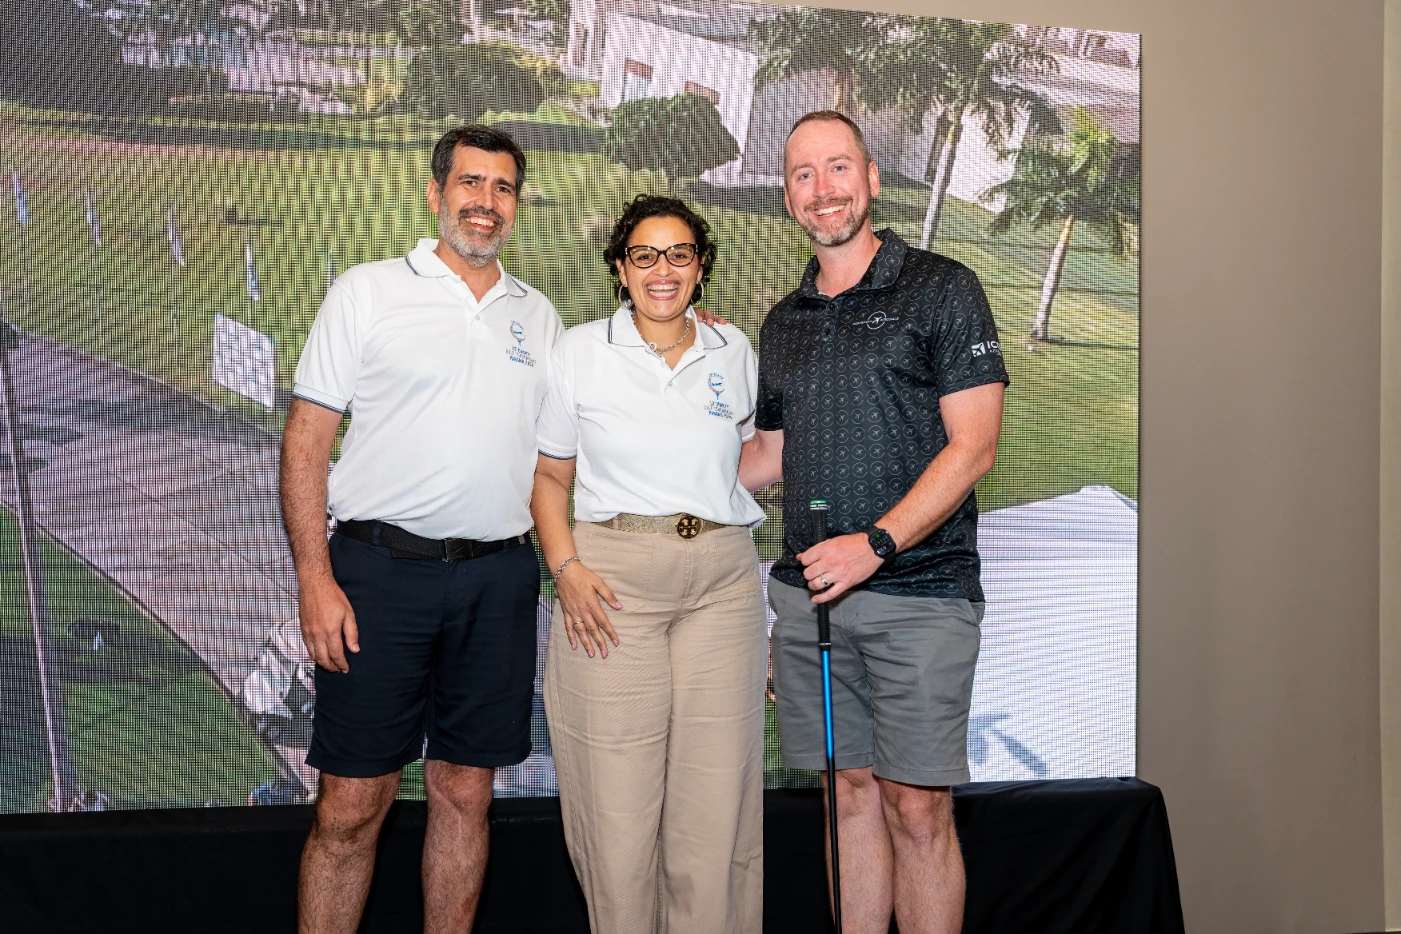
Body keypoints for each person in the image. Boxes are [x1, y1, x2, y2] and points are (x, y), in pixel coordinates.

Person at [280, 125, 561, 934]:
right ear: (437, 193)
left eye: (502, 187)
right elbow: (305, 443)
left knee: (466, 793)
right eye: (470, 183)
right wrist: (315, 580)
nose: (485, 202)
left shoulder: (537, 316)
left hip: (496, 581)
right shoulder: (366, 291)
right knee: (350, 806)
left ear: (516, 204)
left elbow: (571, 440)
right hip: (377, 577)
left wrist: (692, 327)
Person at [739, 111, 1008, 934]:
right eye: (803, 174)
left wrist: (876, 545)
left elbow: (973, 447)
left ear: (872, 179)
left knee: (916, 809)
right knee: (846, 796)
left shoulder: (942, 287)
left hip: (920, 593)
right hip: (810, 604)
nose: (822, 189)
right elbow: (766, 456)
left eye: (837, 168)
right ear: (788, 194)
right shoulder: (783, 320)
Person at [532, 194, 766, 934]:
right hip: (612, 583)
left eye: (678, 254)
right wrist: (566, 569)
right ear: (619, 267)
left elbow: (745, 459)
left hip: (723, 583)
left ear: (700, 267)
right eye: (644, 255)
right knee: (618, 805)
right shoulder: (577, 352)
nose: (662, 270)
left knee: (716, 803)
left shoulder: (732, 349)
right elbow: (549, 479)